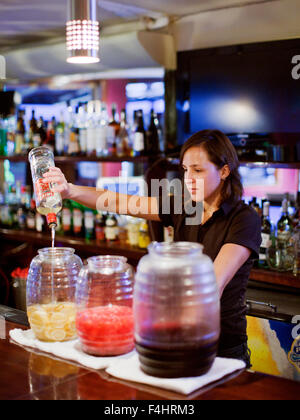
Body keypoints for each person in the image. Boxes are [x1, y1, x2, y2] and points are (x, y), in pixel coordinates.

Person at [43, 129, 261, 367]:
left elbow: (212, 286)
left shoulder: (244, 218)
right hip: (176, 341)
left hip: (223, 350)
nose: (188, 179)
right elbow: (118, 201)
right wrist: (70, 191)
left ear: (224, 171)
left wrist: (147, 313)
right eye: (185, 170)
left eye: (198, 170)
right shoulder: (185, 206)